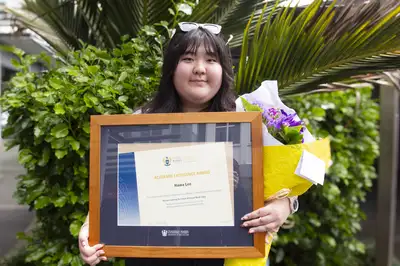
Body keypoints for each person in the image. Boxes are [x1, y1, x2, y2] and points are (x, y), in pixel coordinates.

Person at [79, 22, 297, 266]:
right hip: (152, 258)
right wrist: (89, 229)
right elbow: (110, 190)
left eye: (211, 60)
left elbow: (283, 181)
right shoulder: (138, 124)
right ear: (172, 68)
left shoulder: (247, 123)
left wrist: (284, 205)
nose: (200, 69)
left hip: (226, 257)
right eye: (188, 58)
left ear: (224, 69)